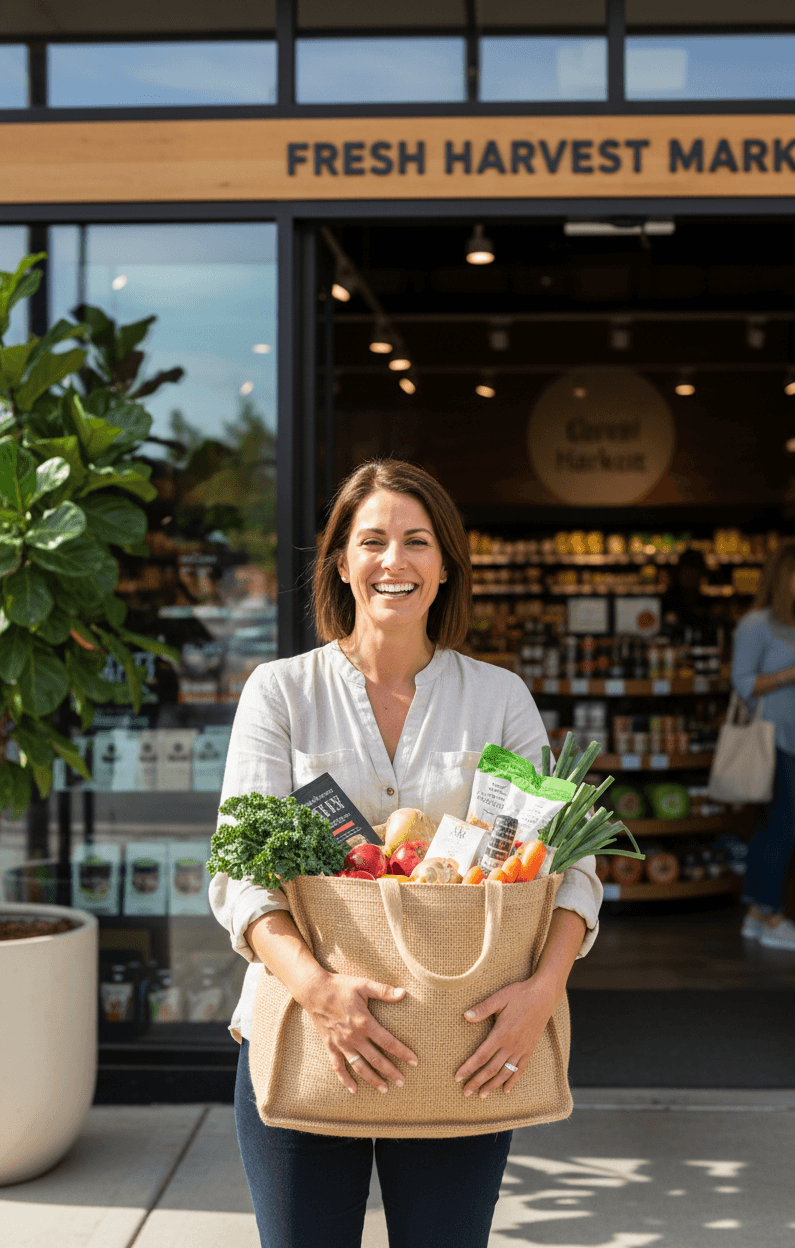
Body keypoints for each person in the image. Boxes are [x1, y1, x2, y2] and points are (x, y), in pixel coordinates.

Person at [210, 459, 602, 1248]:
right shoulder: (281, 692)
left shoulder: (498, 698)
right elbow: (238, 876)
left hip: (463, 1048)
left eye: (417, 541)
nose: (396, 561)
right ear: (341, 563)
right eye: (374, 541)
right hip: (309, 1035)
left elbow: (573, 873)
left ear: (447, 563)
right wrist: (318, 990)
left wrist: (540, 998)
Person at [731, 542, 795, 952]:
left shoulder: (794, 624)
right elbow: (743, 682)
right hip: (772, 739)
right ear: (784, 576)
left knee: (770, 826)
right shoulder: (757, 623)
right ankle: (772, 915)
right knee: (787, 826)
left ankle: (756, 914)